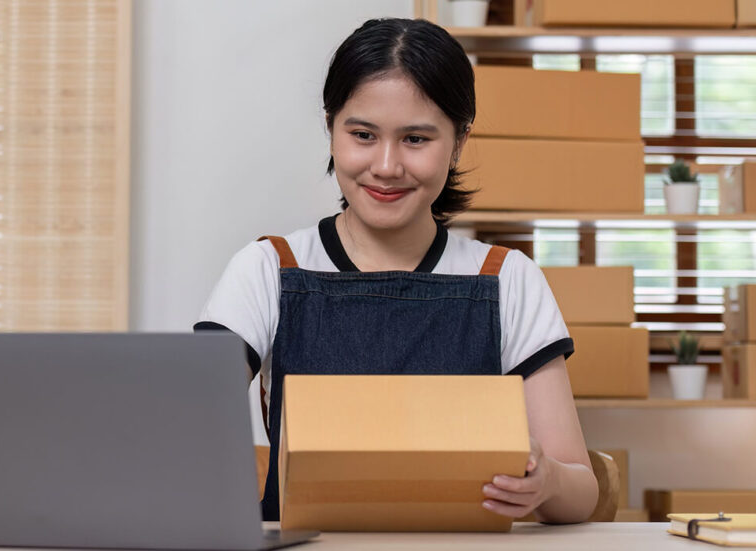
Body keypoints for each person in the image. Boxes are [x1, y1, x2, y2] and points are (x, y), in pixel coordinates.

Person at [194, 18, 598, 524]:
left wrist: (549, 482)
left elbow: (582, 491)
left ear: (458, 140)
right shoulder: (270, 268)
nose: (386, 166)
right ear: (330, 127)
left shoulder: (507, 277)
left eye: (415, 139)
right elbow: (189, 425)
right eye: (363, 134)